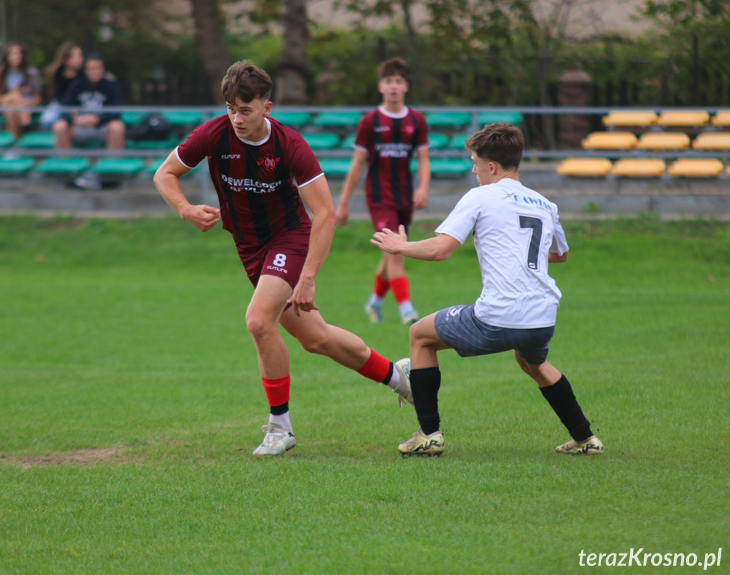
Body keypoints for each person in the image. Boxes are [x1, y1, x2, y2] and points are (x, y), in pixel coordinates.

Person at [153, 60, 413, 457]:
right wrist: (185, 209)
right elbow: (164, 174)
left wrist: (308, 277)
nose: (236, 118)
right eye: (230, 109)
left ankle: (280, 427)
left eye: (245, 110)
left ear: (266, 108)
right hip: (250, 247)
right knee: (316, 338)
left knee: (258, 321)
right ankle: (400, 377)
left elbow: (324, 214)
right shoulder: (214, 134)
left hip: (290, 240)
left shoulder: (290, 146)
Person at [371, 122, 603, 457]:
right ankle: (585, 439)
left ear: (491, 167)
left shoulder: (480, 196)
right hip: (542, 317)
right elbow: (561, 254)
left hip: (499, 315)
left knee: (421, 334)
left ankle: (429, 434)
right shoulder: (544, 204)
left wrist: (399, 247)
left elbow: (441, 249)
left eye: (475, 164)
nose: (473, 170)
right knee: (533, 363)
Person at [336, 57, 430, 325]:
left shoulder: (417, 120)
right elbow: (357, 164)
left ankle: (374, 302)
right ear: (380, 86)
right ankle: (407, 310)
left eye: (398, 81)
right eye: (388, 81)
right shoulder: (370, 121)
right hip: (378, 197)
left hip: (404, 196)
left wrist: (423, 187)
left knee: (389, 252)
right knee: (396, 250)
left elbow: (424, 159)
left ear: (406, 86)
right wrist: (343, 203)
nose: (393, 86)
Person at [53, 52, 125, 190]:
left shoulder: (111, 86)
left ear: (103, 69)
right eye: (92, 68)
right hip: (79, 127)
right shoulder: (76, 85)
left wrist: (97, 120)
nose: (95, 71)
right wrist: (77, 119)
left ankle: (111, 175)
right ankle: (66, 173)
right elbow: (65, 110)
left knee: (117, 127)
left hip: (101, 128)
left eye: (98, 68)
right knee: (60, 126)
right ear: (86, 70)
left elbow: (116, 112)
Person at [0, 42, 42, 138]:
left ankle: (12, 147)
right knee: (13, 100)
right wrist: (13, 95)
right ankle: (26, 124)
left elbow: (38, 99)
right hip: (8, 105)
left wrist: (22, 100)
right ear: (7, 57)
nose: (17, 56)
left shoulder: (31, 73)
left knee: (12, 109)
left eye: (19, 53)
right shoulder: (1, 75)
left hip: (26, 105)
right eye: (14, 53)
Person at [39, 41, 84, 130]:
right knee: (46, 121)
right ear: (67, 60)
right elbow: (59, 96)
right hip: (61, 104)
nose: (81, 58)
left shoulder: (84, 74)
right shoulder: (57, 74)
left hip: (80, 105)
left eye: (81, 55)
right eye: (78, 56)